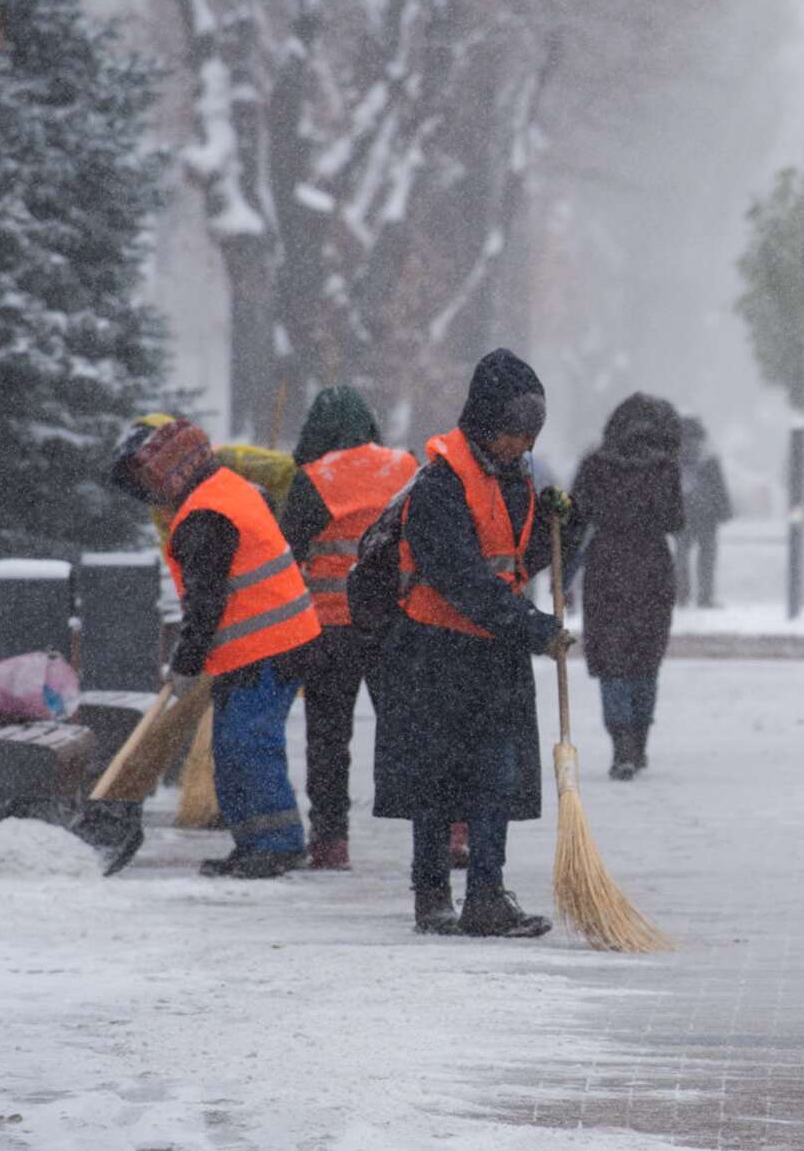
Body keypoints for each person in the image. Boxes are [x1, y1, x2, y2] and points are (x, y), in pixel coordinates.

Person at [372, 348, 577, 937]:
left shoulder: (514, 480)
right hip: (435, 650)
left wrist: (567, 525)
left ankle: (486, 895)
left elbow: (519, 559)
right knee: (435, 778)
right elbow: (460, 577)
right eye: (515, 434)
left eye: (531, 436)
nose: (523, 447)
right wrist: (531, 627)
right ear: (487, 425)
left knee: (496, 773)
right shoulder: (439, 485)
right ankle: (431, 896)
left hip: (493, 653)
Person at [95, 416, 323, 878]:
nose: (147, 493)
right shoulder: (221, 487)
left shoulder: (205, 516)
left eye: (147, 480)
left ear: (168, 470)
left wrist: (184, 665)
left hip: (270, 646)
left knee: (248, 743)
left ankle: (277, 844)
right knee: (234, 746)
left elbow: (205, 606)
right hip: (263, 643)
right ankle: (253, 842)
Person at [277, 386, 417, 870]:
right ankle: (445, 830)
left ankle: (331, 841)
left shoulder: (314, 478)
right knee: (412, 729)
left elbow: (286, 552)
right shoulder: (405, 467)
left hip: (331, 627)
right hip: (393, 622)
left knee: (329, 738)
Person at [572, 394, 685, 778]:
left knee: (611, 659)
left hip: (605, 566)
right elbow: (675, 521)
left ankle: (620, 741)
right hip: (651, 567)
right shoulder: (664, 468)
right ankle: (639, 739)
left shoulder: (594, 465)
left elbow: (575, 518)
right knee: (646, 656)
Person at [673, 414, 730, 609]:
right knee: (706, 556)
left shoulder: (675, 458)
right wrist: (724, 511)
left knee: (681, 555)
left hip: (683, 513)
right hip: (707, 514)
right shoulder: (708, 458)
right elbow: (719, 487)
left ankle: (682, 595)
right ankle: (704, 597)